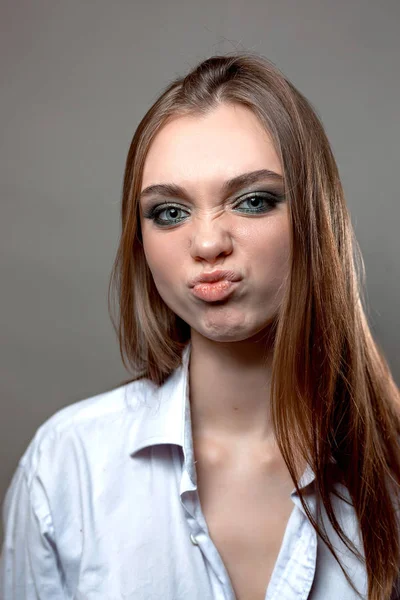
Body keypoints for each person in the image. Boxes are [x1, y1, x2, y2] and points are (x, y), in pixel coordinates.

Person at [1, 52, 400, 600]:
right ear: (139, 241)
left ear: (314, 217)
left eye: (253, 201)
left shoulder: (390, 472)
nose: (209, 243)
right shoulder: (67, 468)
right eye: (169, 212)